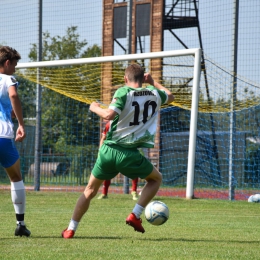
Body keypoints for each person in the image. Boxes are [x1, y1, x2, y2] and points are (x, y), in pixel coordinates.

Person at [62, 63, 174, 238]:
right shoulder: (154, 94)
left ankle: (70, 229)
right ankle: (135, 215)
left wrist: (94, 107)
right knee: (155, 179)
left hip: (108, 151)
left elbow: (108, 115)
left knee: (90, 190)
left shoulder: (123, 92)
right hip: (129, 154)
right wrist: (153, 82)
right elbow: (170, 96)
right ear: (143, 77)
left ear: (125, 79)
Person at [0, 46, 31, 237]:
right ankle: (20, 224)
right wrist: (21, 123)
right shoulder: (8, 79)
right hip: (3, 135)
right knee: (16, 177)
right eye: (15, 65)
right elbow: (13, 95)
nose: (15, 70)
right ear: (7, 62)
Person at [97, 121, 139, 200]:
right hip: (111, 152)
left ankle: (134, 191)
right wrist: (100, 151)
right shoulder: (109, 124)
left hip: (126, 152)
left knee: (134, 169)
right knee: (107, 172)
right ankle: (104, 193)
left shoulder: (129, 123)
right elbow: (103, 138)